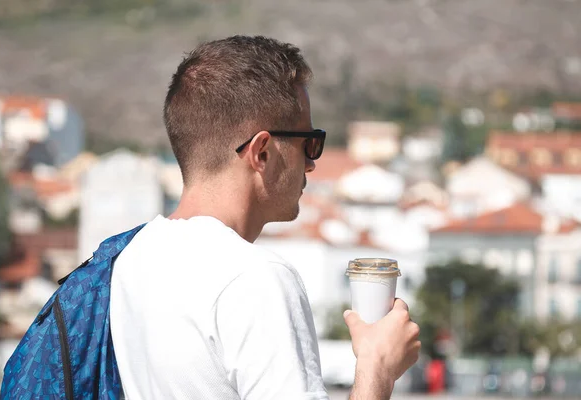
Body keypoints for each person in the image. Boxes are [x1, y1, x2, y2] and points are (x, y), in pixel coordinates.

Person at [109, 35, 421, 400]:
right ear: (262, 152)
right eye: (309, 141)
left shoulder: (131, 258)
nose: (312, 162)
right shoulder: (256, 278)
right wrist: (377, 368)